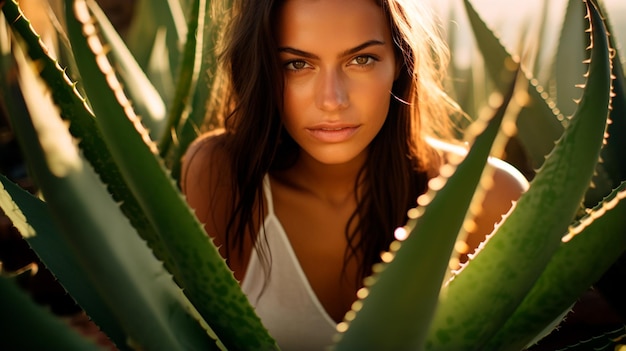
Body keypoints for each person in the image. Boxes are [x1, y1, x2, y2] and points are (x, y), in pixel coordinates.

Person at [181, 0, 528, 349]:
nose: (332, 100)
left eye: (361, 60)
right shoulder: (222, 177)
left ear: (399, 63)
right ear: (262, 69)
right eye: (297, 64)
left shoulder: (489, 196)